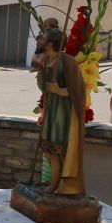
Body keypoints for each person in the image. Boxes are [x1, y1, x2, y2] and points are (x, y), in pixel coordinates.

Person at [36, 28, 86, 195]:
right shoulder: (44, 59)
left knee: (59, 148)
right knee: (49, 148)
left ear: (50, 43)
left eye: (42, 38)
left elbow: (77, 90)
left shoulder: (68, 61)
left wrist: (59, 91)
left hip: (63, 112)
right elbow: (42, 85)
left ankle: (63, 184)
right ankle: (54, 182)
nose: (40, 40)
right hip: (51, 109)